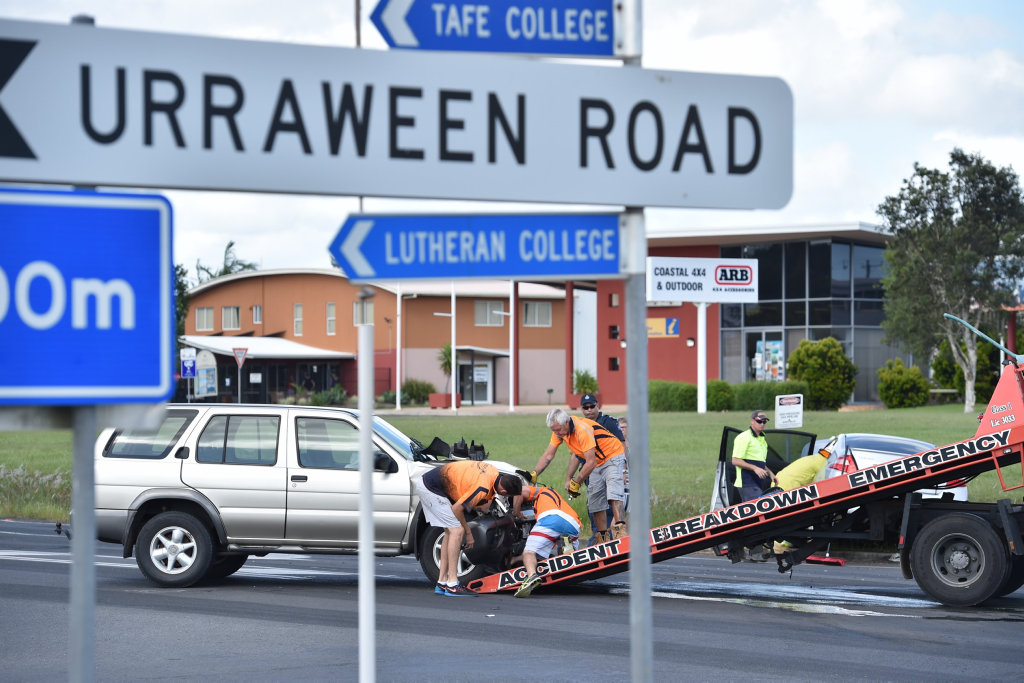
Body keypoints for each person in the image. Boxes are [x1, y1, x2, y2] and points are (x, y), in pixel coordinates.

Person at [414, 460, 523, 596]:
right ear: (503, 491)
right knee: (457, 531)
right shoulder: (482, 488)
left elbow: (476, 495)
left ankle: (442, 582)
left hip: (431, 481)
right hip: (432, 488)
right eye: (508, 496)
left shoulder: (493, 472)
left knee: (449, 532)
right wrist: (469, 533)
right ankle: (453, 584)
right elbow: (457, 509)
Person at [530, 407, 627, 544]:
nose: (557, 434)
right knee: (595, 502)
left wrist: (576, 482)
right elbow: (549, 455)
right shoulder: (559, 432)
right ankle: (602, 538)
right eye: (554, 431)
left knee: (614, 494)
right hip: (596, 462)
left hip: (612, 456)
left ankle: (620, 531)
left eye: (558, 430)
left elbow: (590, 462)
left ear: (566, 422)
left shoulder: (582, 429)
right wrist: (534, 474)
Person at [510, 484, 582, 597]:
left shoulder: (540, 491)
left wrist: (516, 511)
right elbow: (540, 553)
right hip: (572, 523)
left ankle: (531, 576)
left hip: (551, 518)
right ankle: (566, 547)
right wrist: (514, 560)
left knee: (529, 552)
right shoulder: (555, 496)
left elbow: (519, 490)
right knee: (561, 556)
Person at [572, 394, 625, 539]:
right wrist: (569, 478)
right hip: (591, 472)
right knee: (595, 507)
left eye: (592, 406)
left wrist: (624, 470)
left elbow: (621, 445)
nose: (589, 410)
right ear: (581, 409)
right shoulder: (579, 427)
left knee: (613, 498)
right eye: (585, 407)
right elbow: (576, 455)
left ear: (597, 406)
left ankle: (619, 533)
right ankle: (601, 539)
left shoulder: (608, 422)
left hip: (610, 466)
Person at [731, 409, 778, 561]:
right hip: (746, 482)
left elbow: (759, 462)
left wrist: (770, 472)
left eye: (764, 421)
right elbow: (736, 460)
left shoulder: (762, 438)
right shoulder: (743, 438)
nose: (762, 424)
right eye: (759, 421)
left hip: (757, 482)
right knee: (755, 518)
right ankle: (754, 552)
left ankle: (749, 551)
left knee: (755, 517)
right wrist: (755, 468)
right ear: (752, 421)